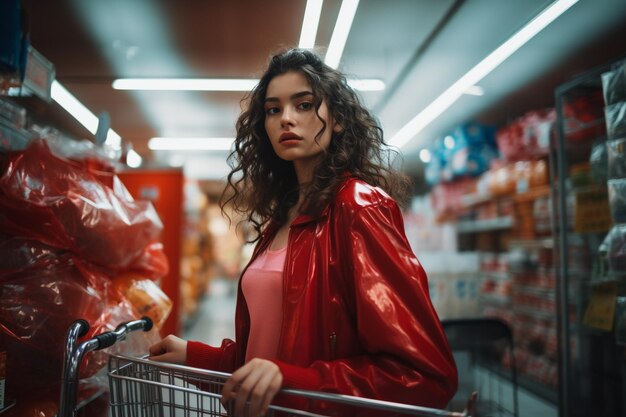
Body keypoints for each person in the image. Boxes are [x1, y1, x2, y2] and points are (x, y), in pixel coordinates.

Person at [149, 48, 458, 416]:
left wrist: (293, 381)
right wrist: (197, 356)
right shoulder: (283, 218)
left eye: (305, 104)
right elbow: (271, 356)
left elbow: (421, 375)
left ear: (338, 119)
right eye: (273, 109)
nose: (286, 119)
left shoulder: (358, 207)